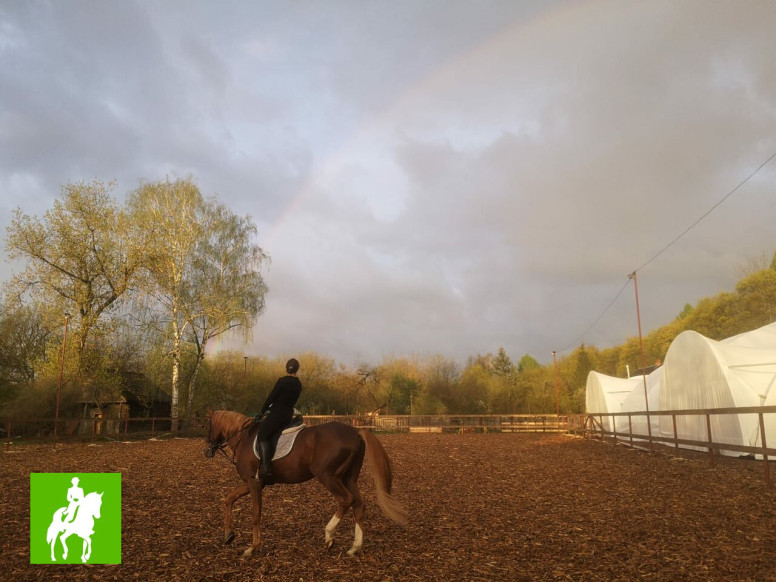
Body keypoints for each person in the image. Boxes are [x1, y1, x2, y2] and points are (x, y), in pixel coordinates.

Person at [256, 358, 302, 481]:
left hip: (276, 414)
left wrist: (262, 411)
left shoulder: (282, 381)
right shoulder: (298, 384)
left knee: (262, 436)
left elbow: (271, 397)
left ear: (286, 368)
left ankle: (266, 467)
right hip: (288, 416)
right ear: (297, 369)